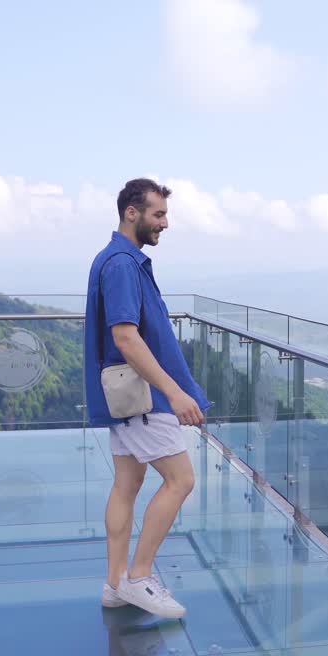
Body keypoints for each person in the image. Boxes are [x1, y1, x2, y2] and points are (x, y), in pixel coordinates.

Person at [84, 178, 211, 619]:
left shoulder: (118, 260)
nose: (165, 223)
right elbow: (125, 337)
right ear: (131, 213)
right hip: (145, 398)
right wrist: (174, 393)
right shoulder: (121, 264)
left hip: (130, 398)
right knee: (181, 481)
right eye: (158, 214)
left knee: (127, 484)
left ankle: (115, 583)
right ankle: (139, 577)